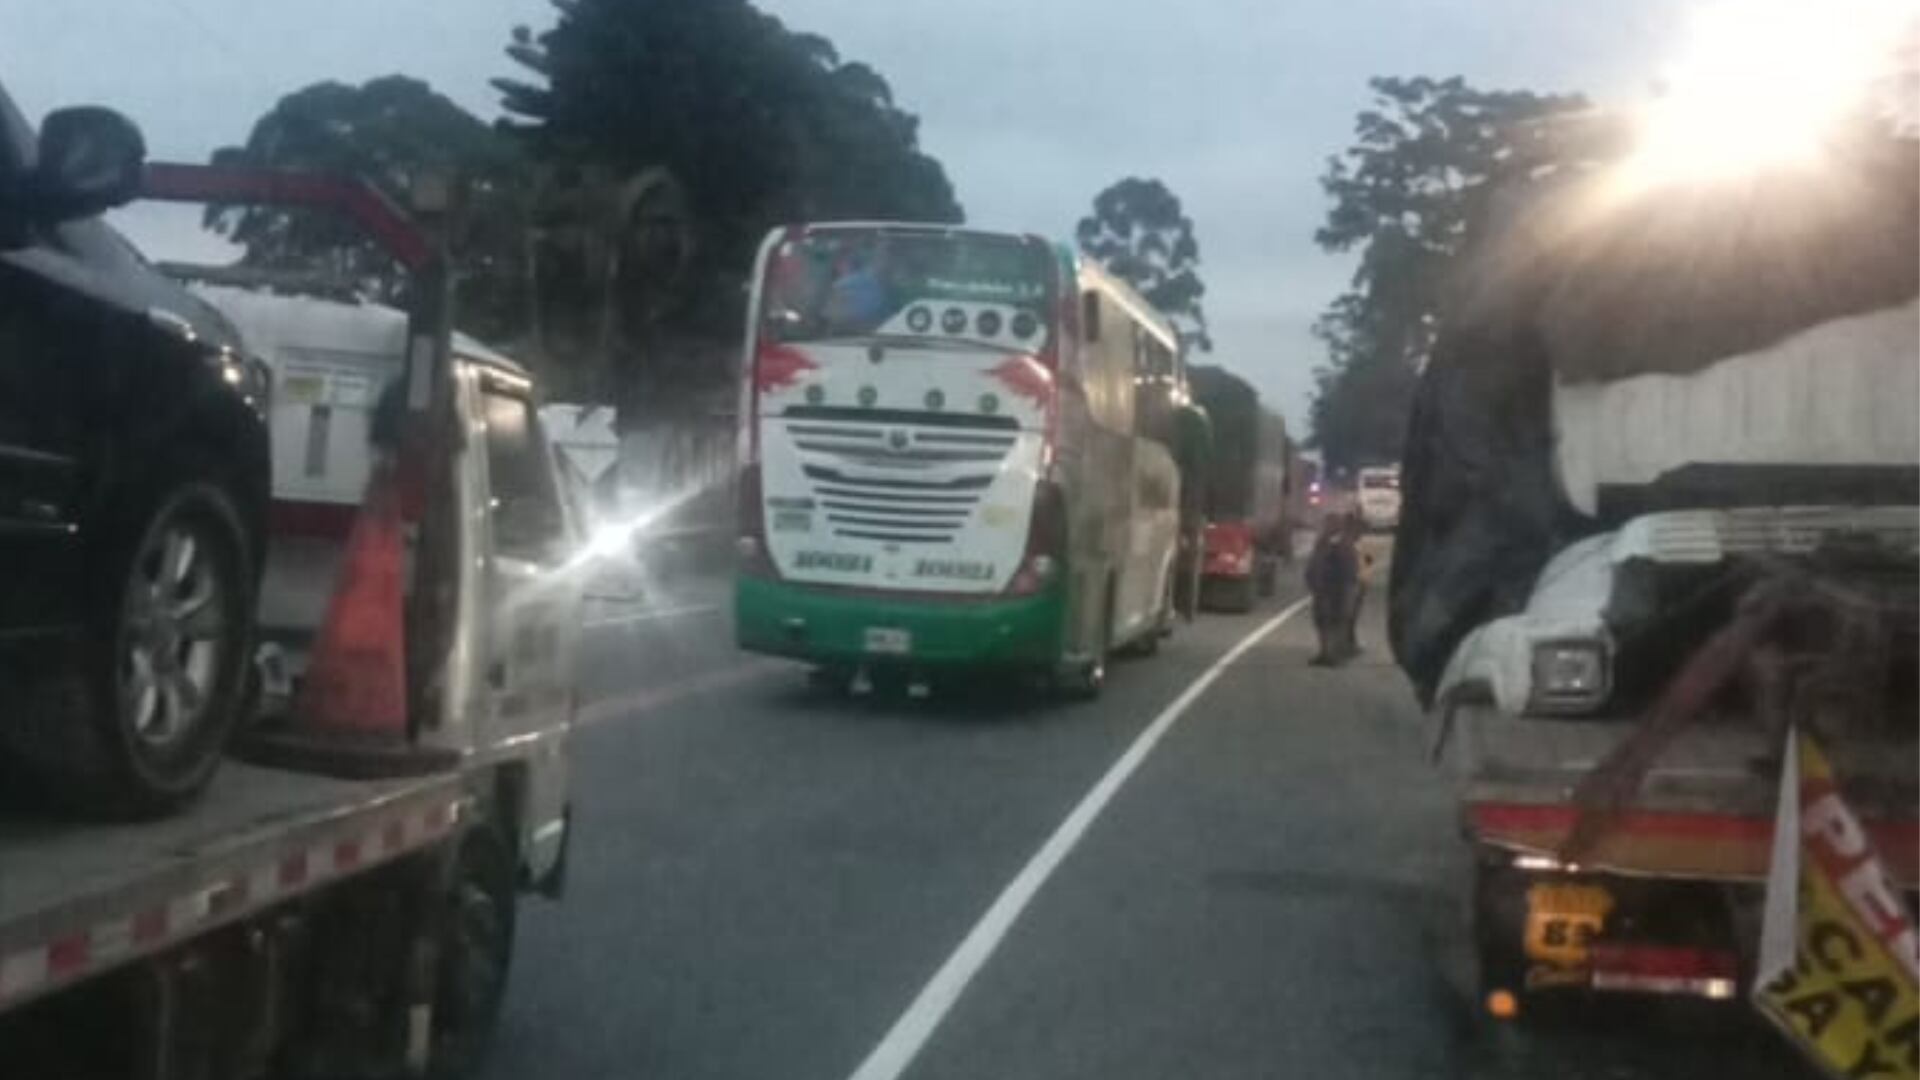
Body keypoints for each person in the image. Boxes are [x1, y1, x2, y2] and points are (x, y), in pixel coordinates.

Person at [1304, 513, 1358, 666]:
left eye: (1329, 523)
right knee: (1322, 621)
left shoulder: (1342, 543)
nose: (1326, 526)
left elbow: (1348, 568)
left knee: (1336, 621)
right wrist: (1311, 579)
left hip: (1336, 589)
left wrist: (1347, 587)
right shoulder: (1323, 542)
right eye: (1326, 523)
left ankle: (1334, 655)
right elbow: (1315, 562)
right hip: (1323, 588)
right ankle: (1325, 653)